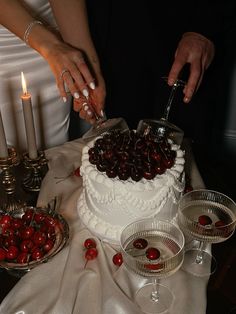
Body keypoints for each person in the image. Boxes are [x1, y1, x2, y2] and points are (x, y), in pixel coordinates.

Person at [84, 0, 235, 144]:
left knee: (187, 142)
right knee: (123, 138)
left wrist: (205, 26)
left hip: (185, 26)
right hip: (115, 37)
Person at [0, 0, 106, 153]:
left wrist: (87, 66)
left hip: (52, 60)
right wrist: (49, 44)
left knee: (51, 159)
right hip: (6, 56)